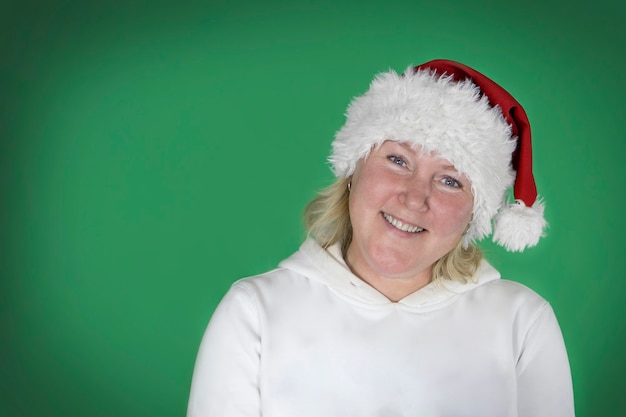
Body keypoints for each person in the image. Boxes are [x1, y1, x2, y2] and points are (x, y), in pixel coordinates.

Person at [187, 59, 575, 416]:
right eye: (397, 160)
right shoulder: (254, 312)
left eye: (450, 180)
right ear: (354, 169)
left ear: (473, 216)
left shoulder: (521, 323)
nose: (414, 198)